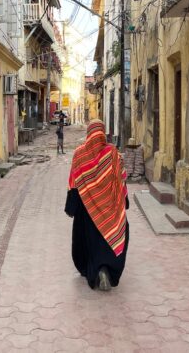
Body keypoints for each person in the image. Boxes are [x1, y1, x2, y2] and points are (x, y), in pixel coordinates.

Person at [65, 119, 129, 291]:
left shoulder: (79, 154)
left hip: (88, 209)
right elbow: (121, 178)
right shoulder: (112, 152)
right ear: (103, 133)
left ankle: (95, 270)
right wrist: (124, 200)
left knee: (88, 240)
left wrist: (72, 206)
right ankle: (107, 268)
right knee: (114, 235)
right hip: (111, 208)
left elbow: (74, 182)